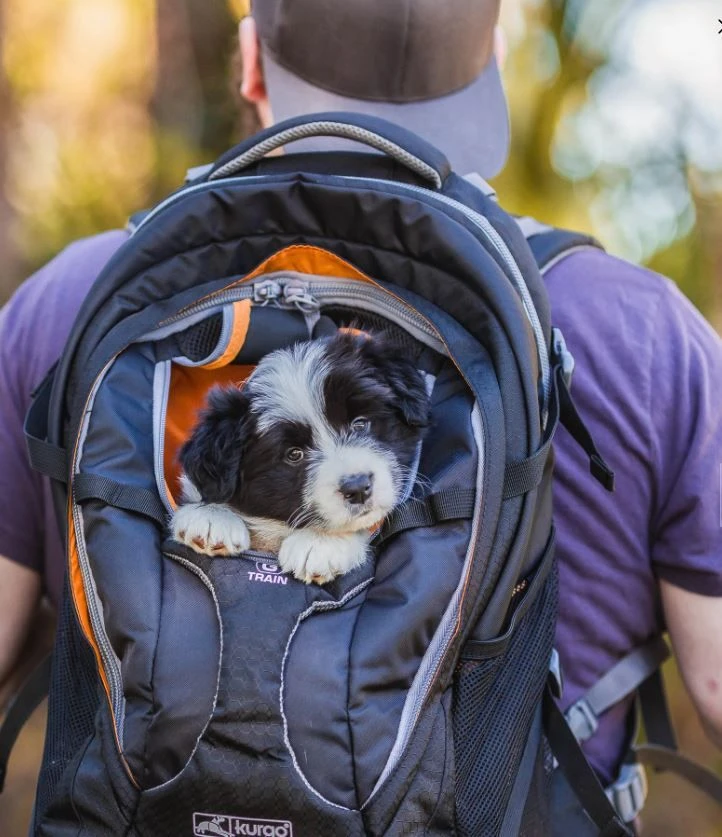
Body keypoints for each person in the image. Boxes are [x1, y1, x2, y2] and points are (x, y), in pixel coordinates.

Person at [1, 0, 721, 826]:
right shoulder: (642, 328)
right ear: (492, 63)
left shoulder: (69, 299)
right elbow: (714, 684)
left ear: (250, 60)